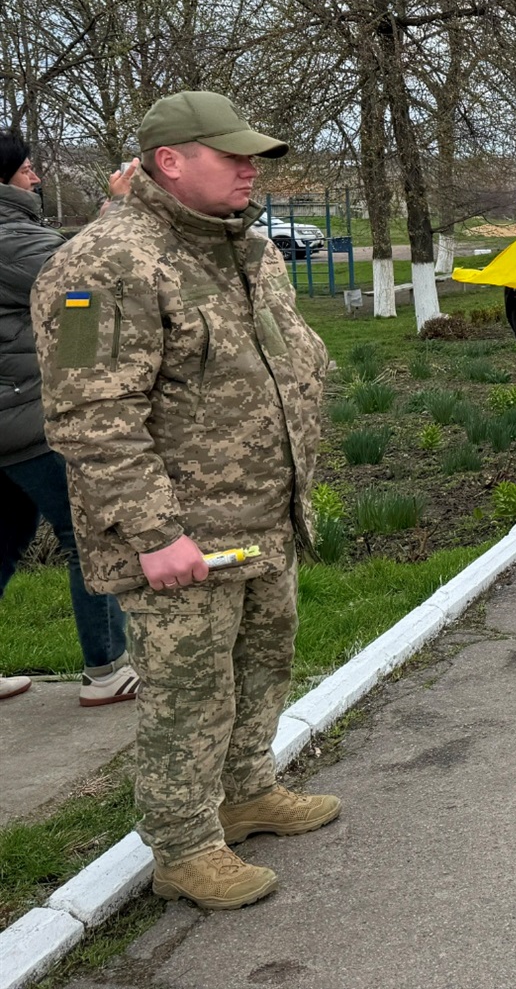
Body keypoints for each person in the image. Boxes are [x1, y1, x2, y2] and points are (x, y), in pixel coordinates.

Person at [33, 91, 338, 911]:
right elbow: (89, 413)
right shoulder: (99, 266)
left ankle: (246, 791)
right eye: (232, 154)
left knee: (262, 661)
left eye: (254, 156)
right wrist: (154, 530)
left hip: (261, 515)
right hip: (179, 536)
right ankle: (183, 843)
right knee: (187, 689)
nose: (251, 168)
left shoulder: (248, 252)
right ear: (170, 161)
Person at [0, 134, 137, 704]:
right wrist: (120, 211)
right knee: (91, 533)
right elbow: (83, 285)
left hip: (8, 417)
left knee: (4, 540)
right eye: (28, 170)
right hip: (29, 415)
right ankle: (107, 669)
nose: (35, 179)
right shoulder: (9, 237)